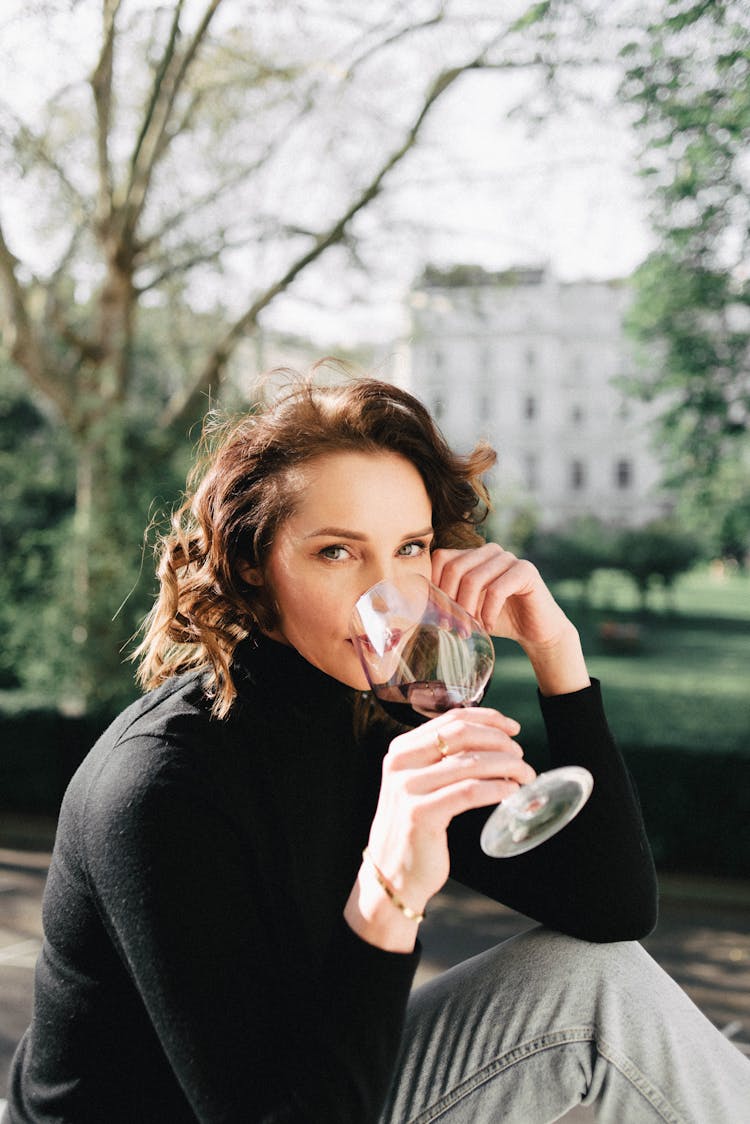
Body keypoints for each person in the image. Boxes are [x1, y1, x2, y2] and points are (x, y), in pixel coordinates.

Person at [4, 373, 749, 1124]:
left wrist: (560, 656)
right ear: (254, 560)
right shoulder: (163, 788)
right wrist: (389, 892)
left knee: (596, 981)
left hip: (323, 1082)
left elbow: (612, 908)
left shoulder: (381, 717)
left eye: (411, 547)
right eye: (337, 553)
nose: (389, 598)